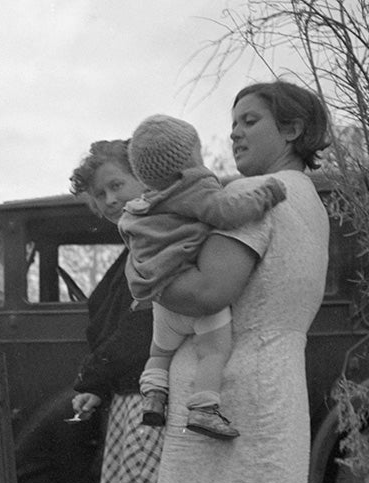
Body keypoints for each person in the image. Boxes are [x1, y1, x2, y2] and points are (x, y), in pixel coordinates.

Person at [148, 81, 331, 483]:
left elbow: (204, 293)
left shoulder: (253, 196)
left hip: (231, 404)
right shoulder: (308, 197)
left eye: (251, 120)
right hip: (271, 395)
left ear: (293, 131)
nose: (234, 132)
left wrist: (141, 272)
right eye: (233, 122)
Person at [120, 114, 287, 440]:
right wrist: (267, 194)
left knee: (159, 354)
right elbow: (226, 213)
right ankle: (203, 409)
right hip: (196, 300)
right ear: (189, 159)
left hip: (162, 304)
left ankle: (153, 397)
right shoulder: (193, 187)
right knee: (214, 352)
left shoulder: (137, 208)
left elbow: (138, 252)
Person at [66, 140, 164, 483]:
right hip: (130, 405)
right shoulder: (133, 246)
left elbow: (141, 324)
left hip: (155, 402)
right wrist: (99, 387)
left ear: (144, 176)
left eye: (115, 185)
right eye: (98, 195)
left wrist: (94, 376)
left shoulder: (161, 237)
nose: (107, 200)